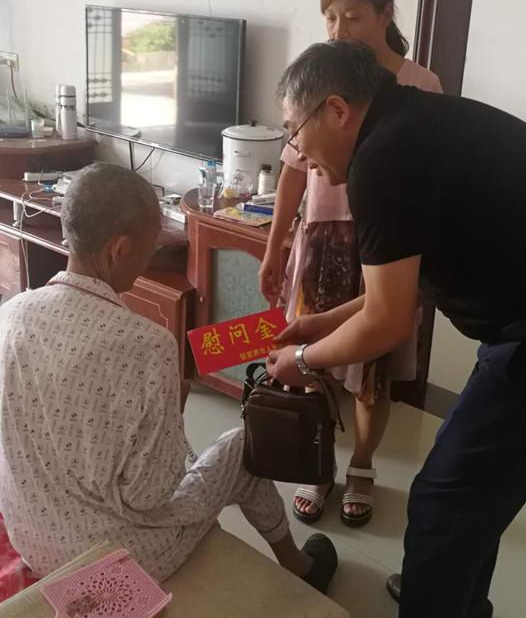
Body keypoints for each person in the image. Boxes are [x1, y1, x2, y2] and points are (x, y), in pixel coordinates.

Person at [267, 40, 526, 618]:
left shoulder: (383, 160)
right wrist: (318, 324)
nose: (295, 152)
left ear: (337, 109)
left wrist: (303, 361)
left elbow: (389, 320)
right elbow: (397, 284)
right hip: (524, 323)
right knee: (475, 487)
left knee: (443, 501)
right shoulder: (411, 125)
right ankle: (461, 606)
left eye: (293, 131)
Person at [0, 163, 337, 592]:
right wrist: (172, 413)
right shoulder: (147, 344)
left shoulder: (12, 313)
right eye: (150, 248)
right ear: (119, 249)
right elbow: (151, 495)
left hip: (31, 537)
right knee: (240, 447)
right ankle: (301, 568)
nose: (151, 259)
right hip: (111, 557)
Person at [259, 0, 442, 527]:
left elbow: (384, 315)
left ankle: (362, 465)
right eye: (330, 17)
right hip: (321, 237)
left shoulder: (417, 90)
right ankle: (319, 461)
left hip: (384, 246)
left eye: (352, 16)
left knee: (371, 371)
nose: (339, 30)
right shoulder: (319, 79)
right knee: (316, 356)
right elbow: (293, 169)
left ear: (386, 14)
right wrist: (275, 246)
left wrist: (302, 350)